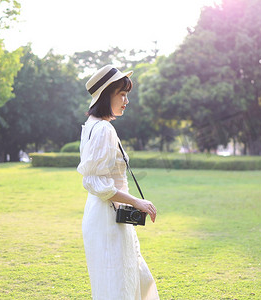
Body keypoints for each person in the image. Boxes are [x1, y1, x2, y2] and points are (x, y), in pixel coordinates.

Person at [77, 65, 159, 299]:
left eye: (127, 94)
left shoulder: (92, 125)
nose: (126, 100)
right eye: (121, 94)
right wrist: (137, 202)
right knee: (118, 284)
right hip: (107, 218)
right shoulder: (103, 129)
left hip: (107, 215)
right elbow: (96, 182)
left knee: (133, 279)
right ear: (105, 95)